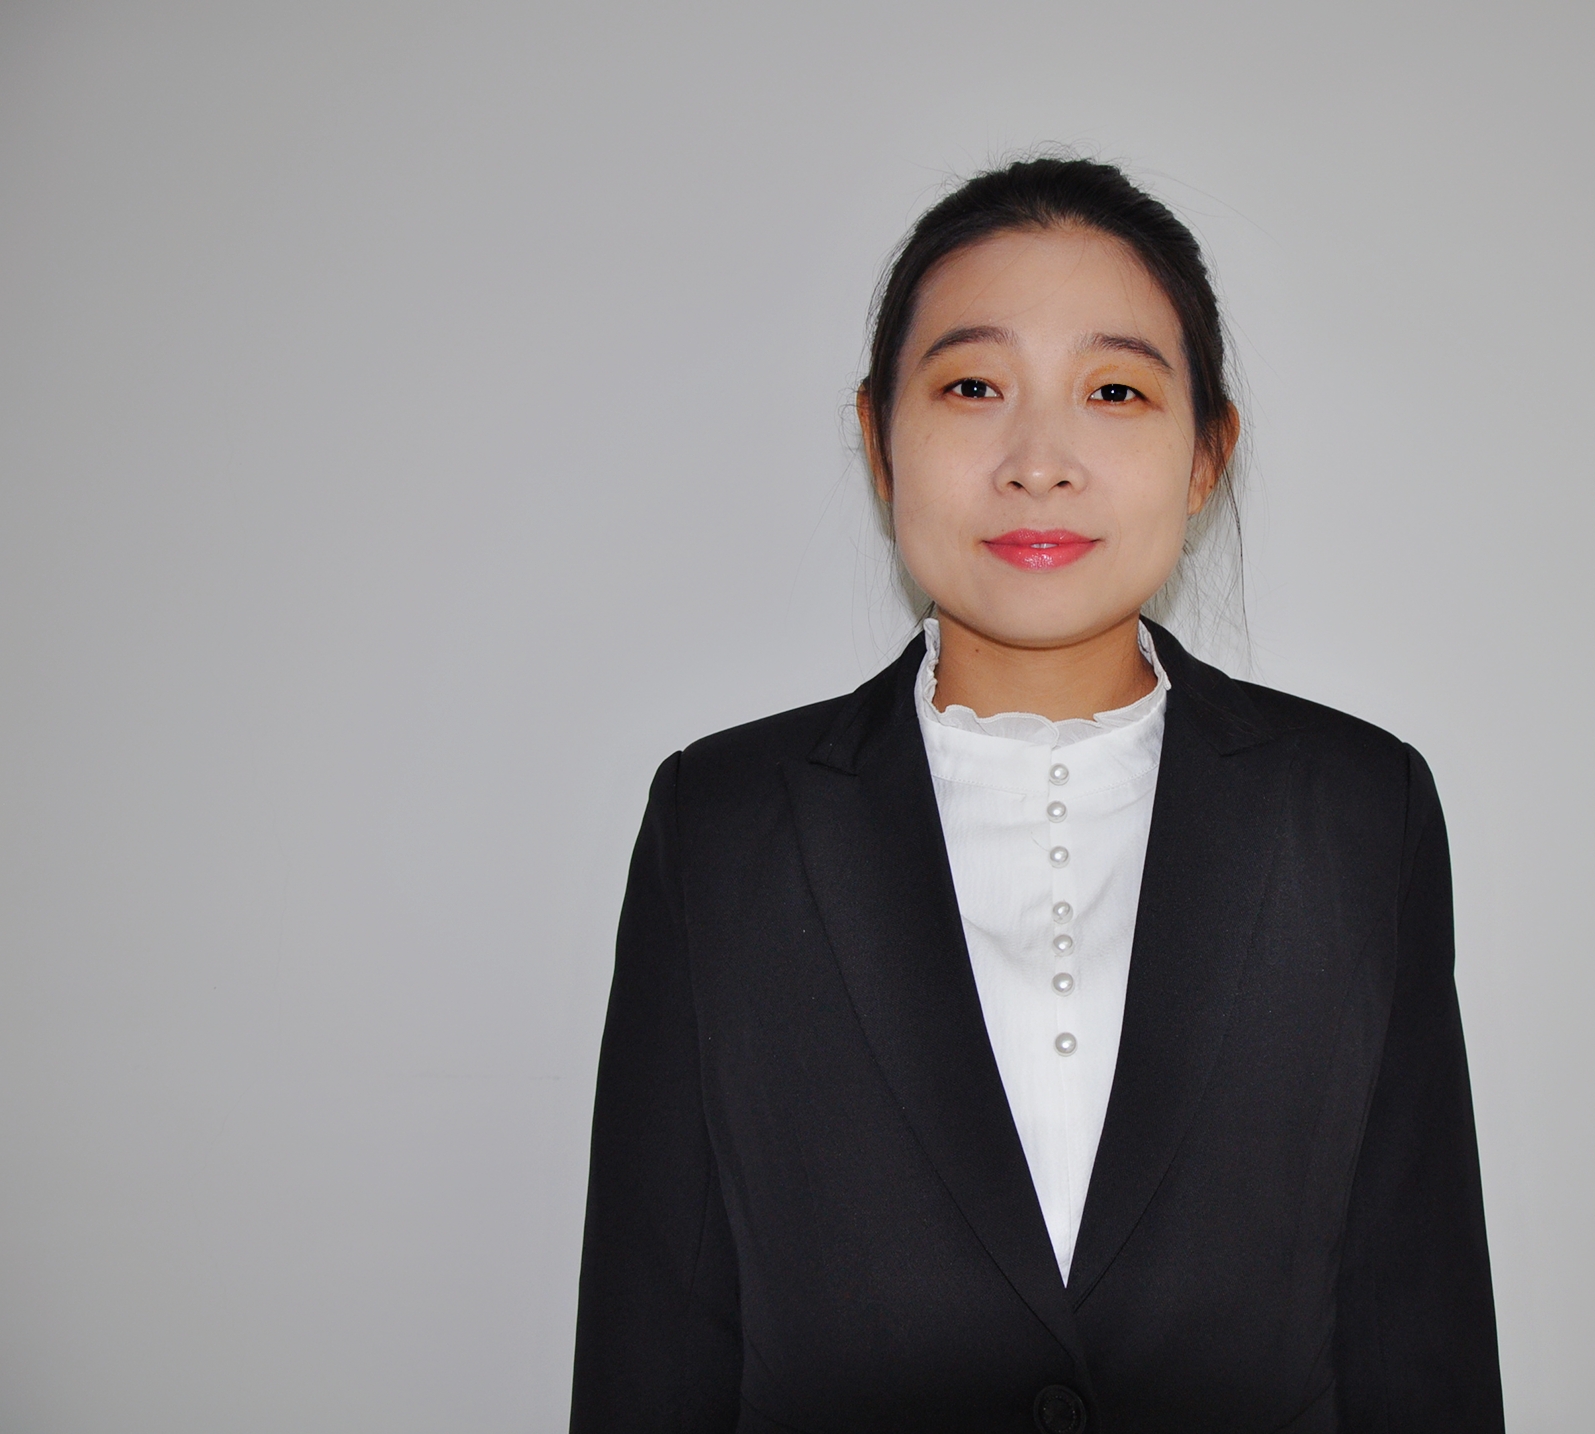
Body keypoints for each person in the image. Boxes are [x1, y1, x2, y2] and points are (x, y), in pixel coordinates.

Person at [569, 156, 1503, 1433]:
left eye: (1115, 390)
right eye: (973, 387)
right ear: (877, 438)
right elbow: (656, 1341)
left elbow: (1417, 1325)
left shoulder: (1356, 814)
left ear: (1207, 452)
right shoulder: (723, 825)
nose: (1039, 462)